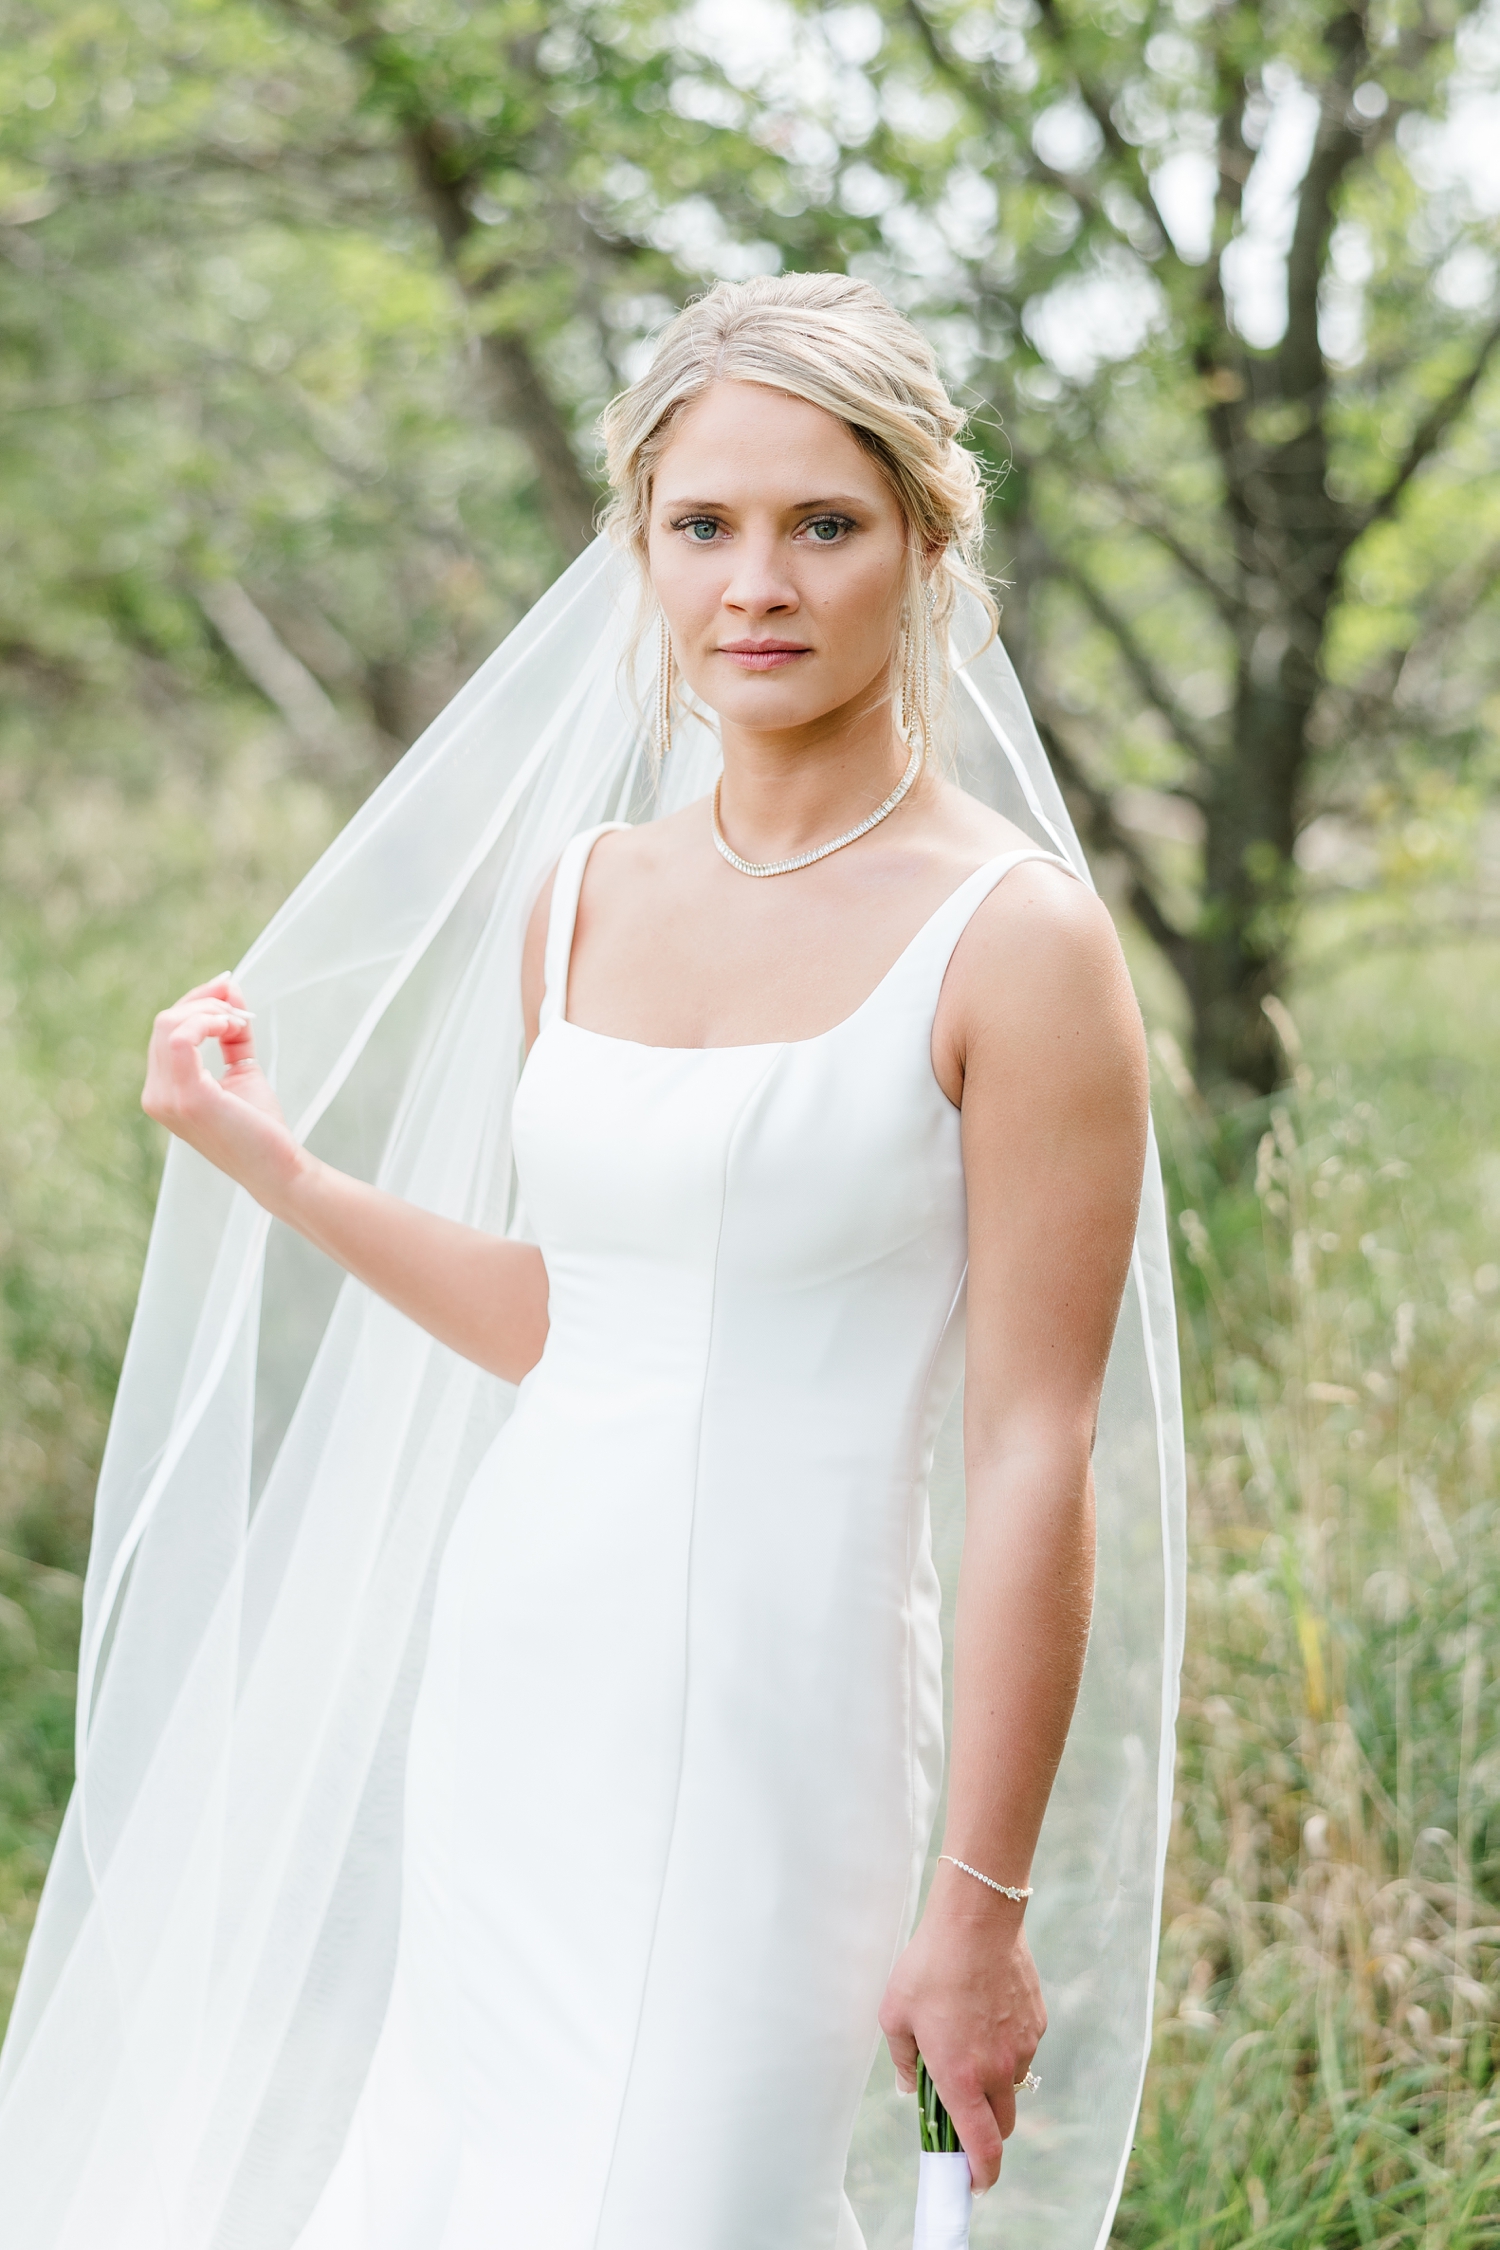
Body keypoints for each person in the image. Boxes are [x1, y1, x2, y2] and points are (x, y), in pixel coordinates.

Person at [0, 275, 1182, 2250]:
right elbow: (577, 1321)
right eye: (702, 525)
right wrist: (277, 1165)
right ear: (637, 545)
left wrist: (979, 1899)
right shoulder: (582, 899)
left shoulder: (1018, 938)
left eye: (825, 523)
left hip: (779, 1721)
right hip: (520, 1672)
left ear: (928, 543)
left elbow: (1033, 1447)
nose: (758, 583)